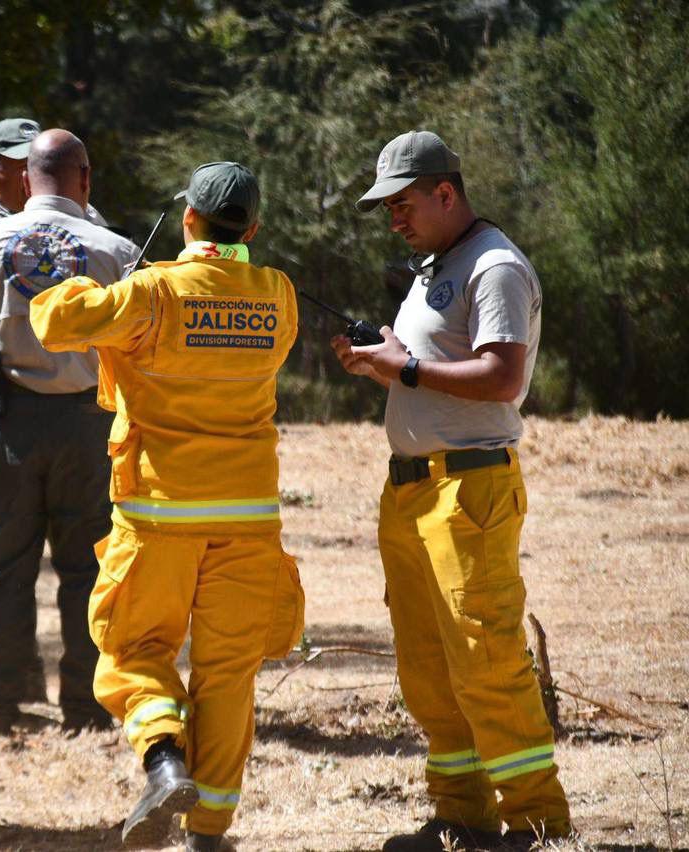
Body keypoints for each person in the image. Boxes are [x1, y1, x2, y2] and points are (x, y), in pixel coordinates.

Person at [29, 162, 305, 851]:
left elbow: (55, 323)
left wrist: (92, 286)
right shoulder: (278, 294)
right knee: (229, 674)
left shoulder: (152, 292)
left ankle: (163, 760)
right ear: (253, 229)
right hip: (248, 517)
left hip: (160, 515)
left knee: (133, 649)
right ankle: (209, 831)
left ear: (187, 218)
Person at [333, 130, 571, 852]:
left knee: (486, 659)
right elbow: (429, 366)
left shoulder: (495, 267)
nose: (393, 219)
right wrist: (380, 363)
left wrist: (404, 369)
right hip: (412, 493)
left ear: (445, 193)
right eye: (387, 208)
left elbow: (502, 376)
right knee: (429, 666)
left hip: (469, 489)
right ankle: (461, 818)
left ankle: (535, 823)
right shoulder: (436, 266)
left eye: (402, 204)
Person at [0, 129, 137, 735]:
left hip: (7, 423)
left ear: (25, 179)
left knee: (1, 570)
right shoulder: (117, 251)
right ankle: (87, 705)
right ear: (86, 178)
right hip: (89, 427)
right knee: (90, 571)